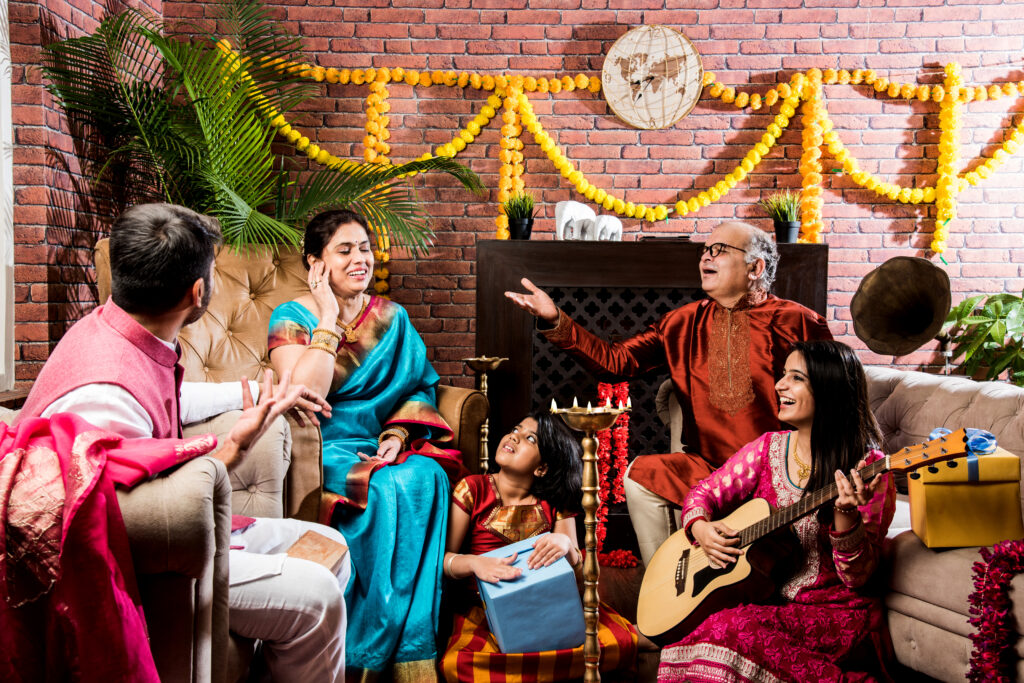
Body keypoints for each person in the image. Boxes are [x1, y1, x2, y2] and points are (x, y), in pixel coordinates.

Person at [15, 203, 351, 683]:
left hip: (170, 536)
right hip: (136, 567)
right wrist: (231, 449)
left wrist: (257, 391)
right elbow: (139, 519)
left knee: (329, 544)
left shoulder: (120, 330)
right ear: (198, 292)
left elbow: (163, 395)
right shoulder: (106, 396)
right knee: (317, 593)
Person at [505, 221, 833, 566]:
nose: (706, 256)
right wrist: (555, 317)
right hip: (708, 469)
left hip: (778, 472)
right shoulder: (681, 322)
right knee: (641, 474)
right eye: (705, 250)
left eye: (719, 250)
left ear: (755, 268)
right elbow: (616, 362)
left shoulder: (798, 321)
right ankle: (666, 585)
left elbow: (836, 396)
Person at [268, 209, 463, 680]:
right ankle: (359, 649)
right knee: (374, 491)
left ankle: (411, 645)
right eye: (345, 250)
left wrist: (397, 435)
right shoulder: (292, 317)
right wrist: (330, 317)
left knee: (426, 477)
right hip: (323, 447)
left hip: (381, 440)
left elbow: (418, 387)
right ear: (316, 263)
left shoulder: (392, 319)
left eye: (365, 249)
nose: (361, 260)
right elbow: (304, 392)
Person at [658, 340, 896, 682]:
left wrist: (846, 517)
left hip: (835, 616)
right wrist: (700, 528)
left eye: (796, 378)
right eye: (783, 375)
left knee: (729, 630)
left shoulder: (868, 468)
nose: (780, 385)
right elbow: (703, 493)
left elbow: (858, 578)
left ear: (829, 389)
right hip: (772, 601)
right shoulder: (768, 448)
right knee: (691, 637)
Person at [439, 411, 637, 682]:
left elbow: (581, 582)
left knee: (616, 644)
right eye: (515, 430)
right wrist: (475, 563)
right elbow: (443, 560)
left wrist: (567, 546)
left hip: (548, 608)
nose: (514, 437)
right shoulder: (472, 489)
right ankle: (545, 669)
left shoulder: (554, 504)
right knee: (455, 665)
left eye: (529, 438)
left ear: (542, 468)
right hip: (485, 614)